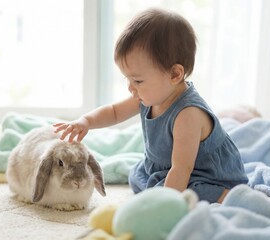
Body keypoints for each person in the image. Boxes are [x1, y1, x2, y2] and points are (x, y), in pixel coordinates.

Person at [54, 8, 248, 203]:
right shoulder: (149, 96)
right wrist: (86, 121)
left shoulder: (188, 114)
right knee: (137, 176)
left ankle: (229, 195)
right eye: (127, 79)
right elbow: (113, 112)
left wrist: (163, 205)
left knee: (192, 193)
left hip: (204, 175)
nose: (131, 87)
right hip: (164, 168)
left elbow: (182, 169)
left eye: (137, 81)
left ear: (175, 75)